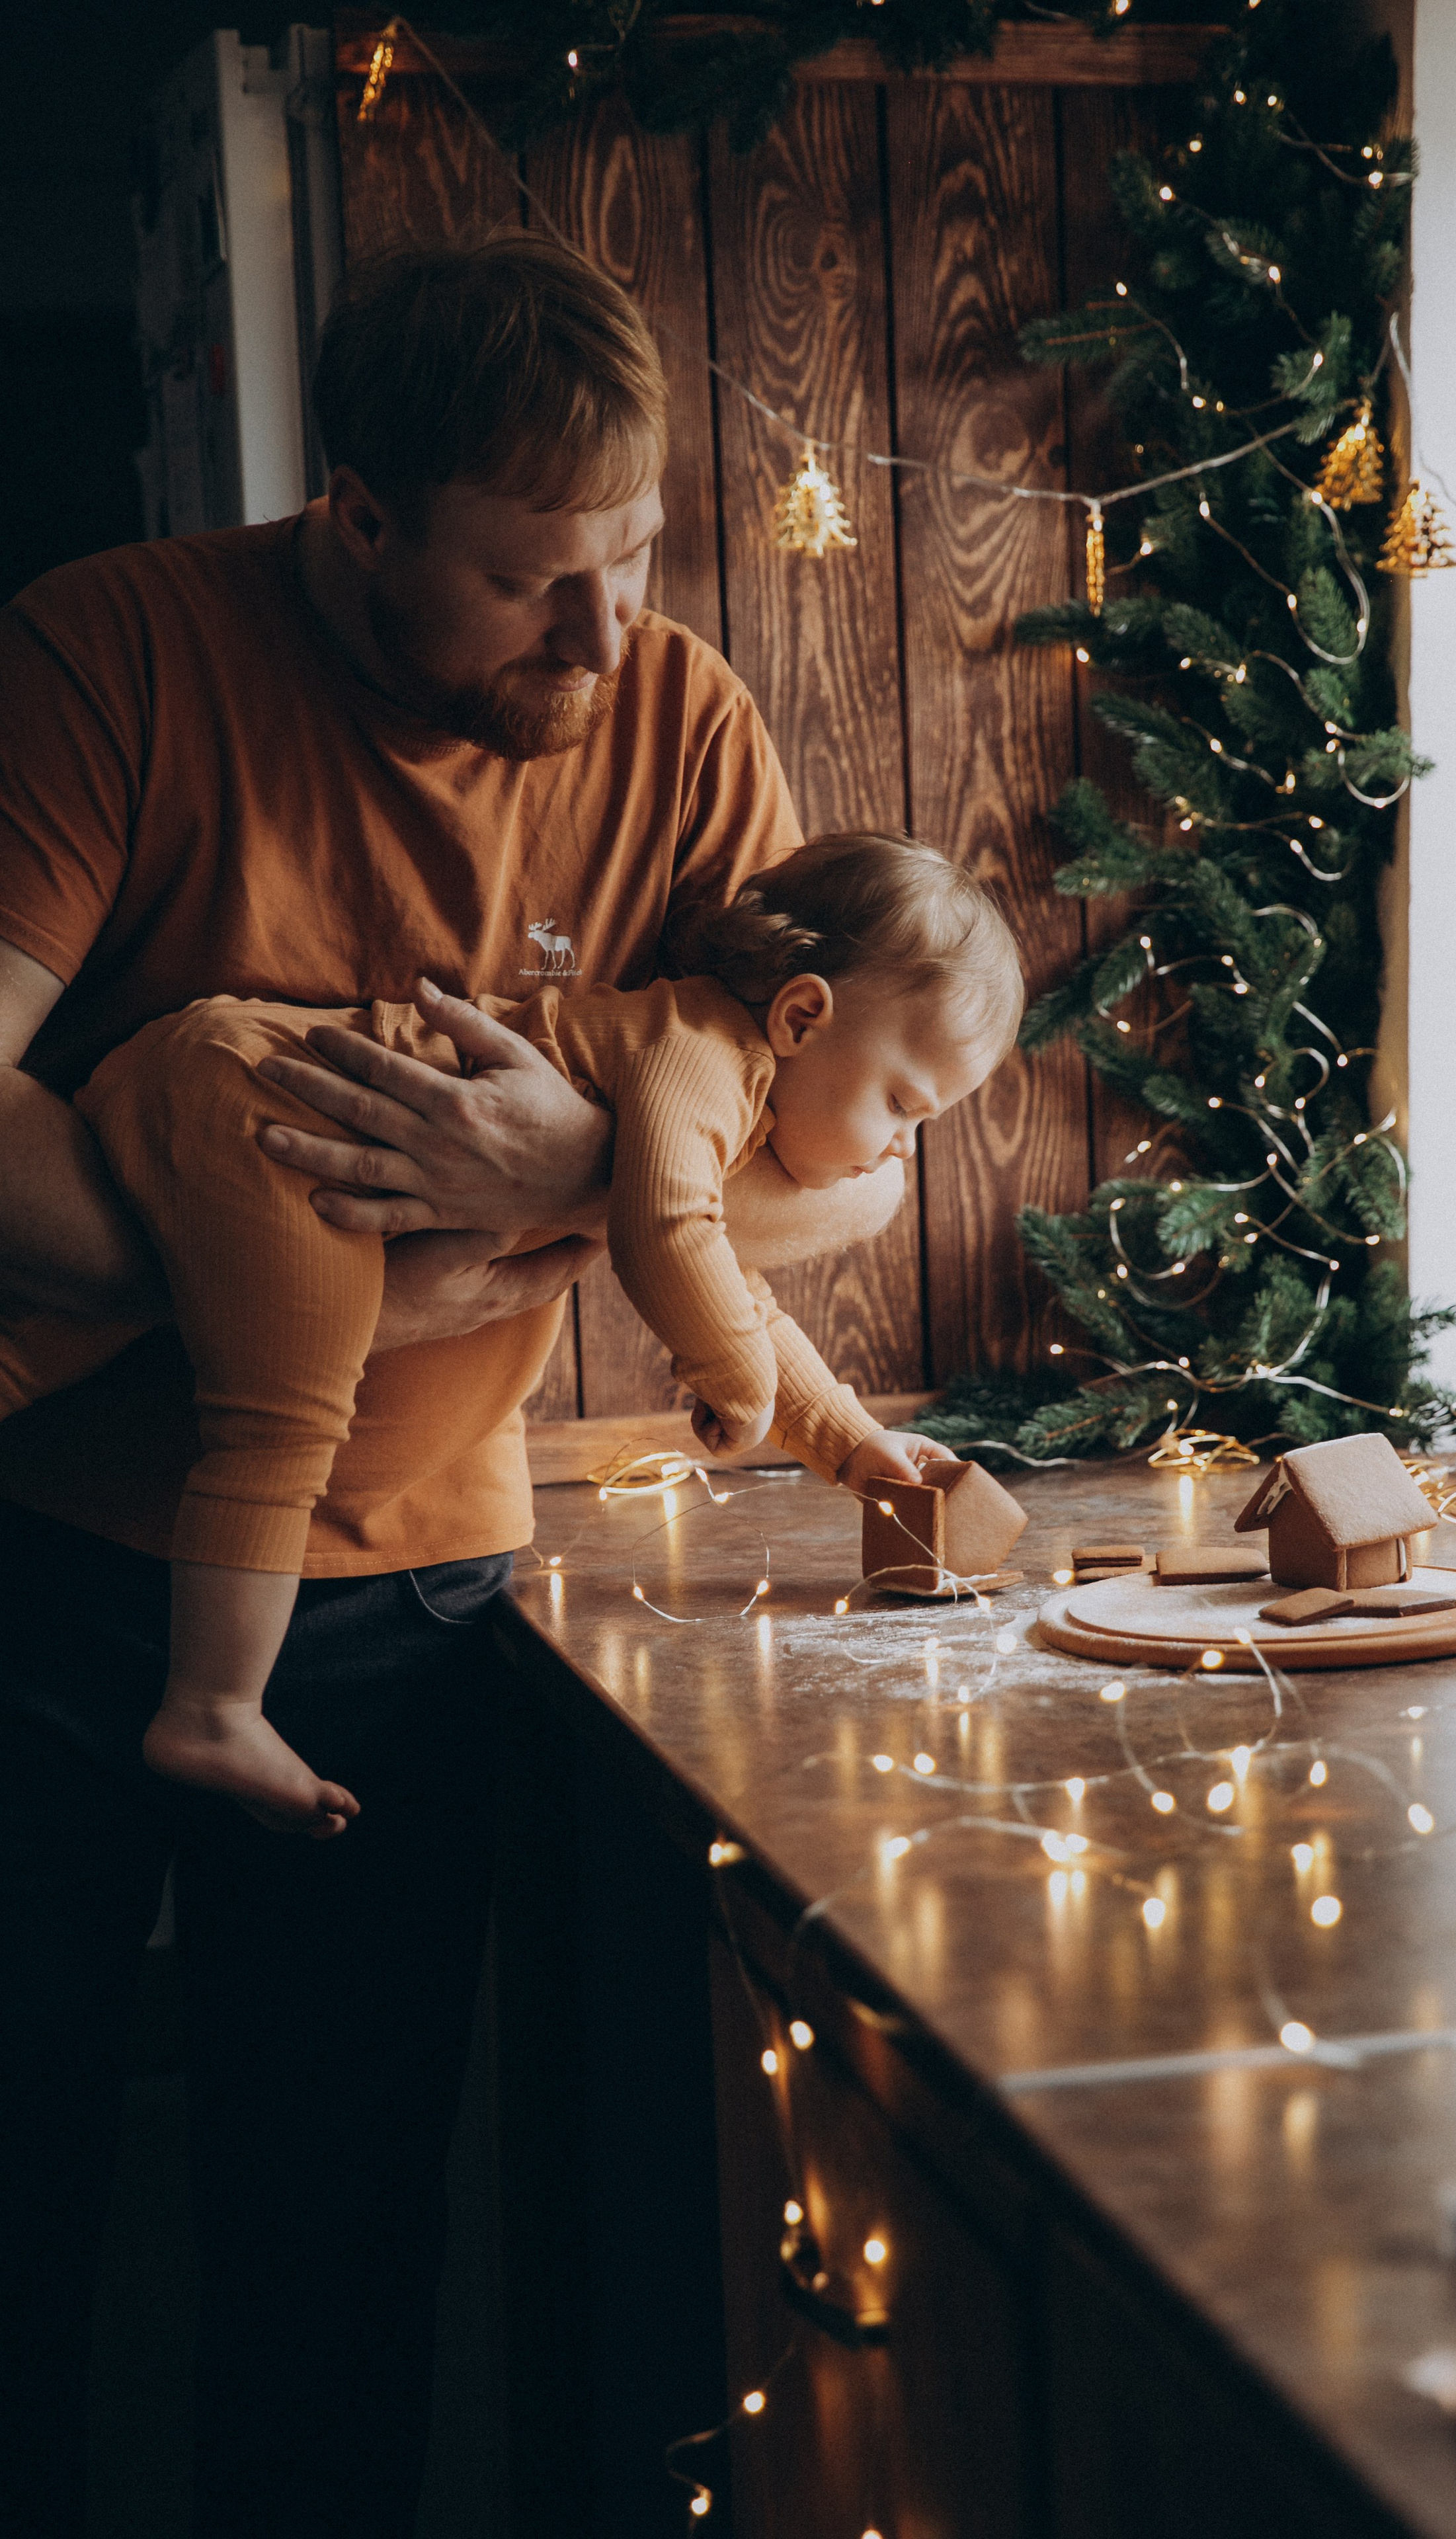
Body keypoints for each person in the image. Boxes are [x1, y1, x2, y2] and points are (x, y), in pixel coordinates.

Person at [0, 235, 928, 2534]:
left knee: (335, 2246)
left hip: (410, 1604)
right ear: (360, 520)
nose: (603, 641)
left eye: (635, 559)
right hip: (41, 1558)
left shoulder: (683, 719)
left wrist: (578, 1168)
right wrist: (278, 1285)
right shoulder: (107, 650)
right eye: (531, 583)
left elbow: (841, 1184)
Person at [0, 836, 1022, 1834]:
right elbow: (668, 1229)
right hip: (258, 1103)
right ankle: (213, 1710)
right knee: (286, 1412)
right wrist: (735, 1381)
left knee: (67, 1334)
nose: (904, 1148)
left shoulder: (715, 1075)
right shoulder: (702, 1056)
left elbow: (730, 1281)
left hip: (211, 1075)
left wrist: (850, 1444)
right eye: (904, 1104)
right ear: (802, 1016)